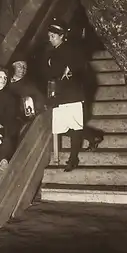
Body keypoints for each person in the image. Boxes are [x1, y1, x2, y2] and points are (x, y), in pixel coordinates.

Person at [45, 18, 104, 172]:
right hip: (59, 94)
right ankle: (91, 136)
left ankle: (73, 160)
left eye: (53, 36)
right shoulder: (53, 52)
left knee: (75, 127)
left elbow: (81, 65)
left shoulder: (71, 48)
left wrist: (71, 68)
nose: (50, 39)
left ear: (62, 35)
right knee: (61, 128)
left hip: (73, 94)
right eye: (49, 36)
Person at [0, 67, 22, 188]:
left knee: (7, 139)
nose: (3, 79)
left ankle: (3, 161)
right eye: (0, 77)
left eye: (5, 78)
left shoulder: (9, 97)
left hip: (4, 127)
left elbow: (11, 117)